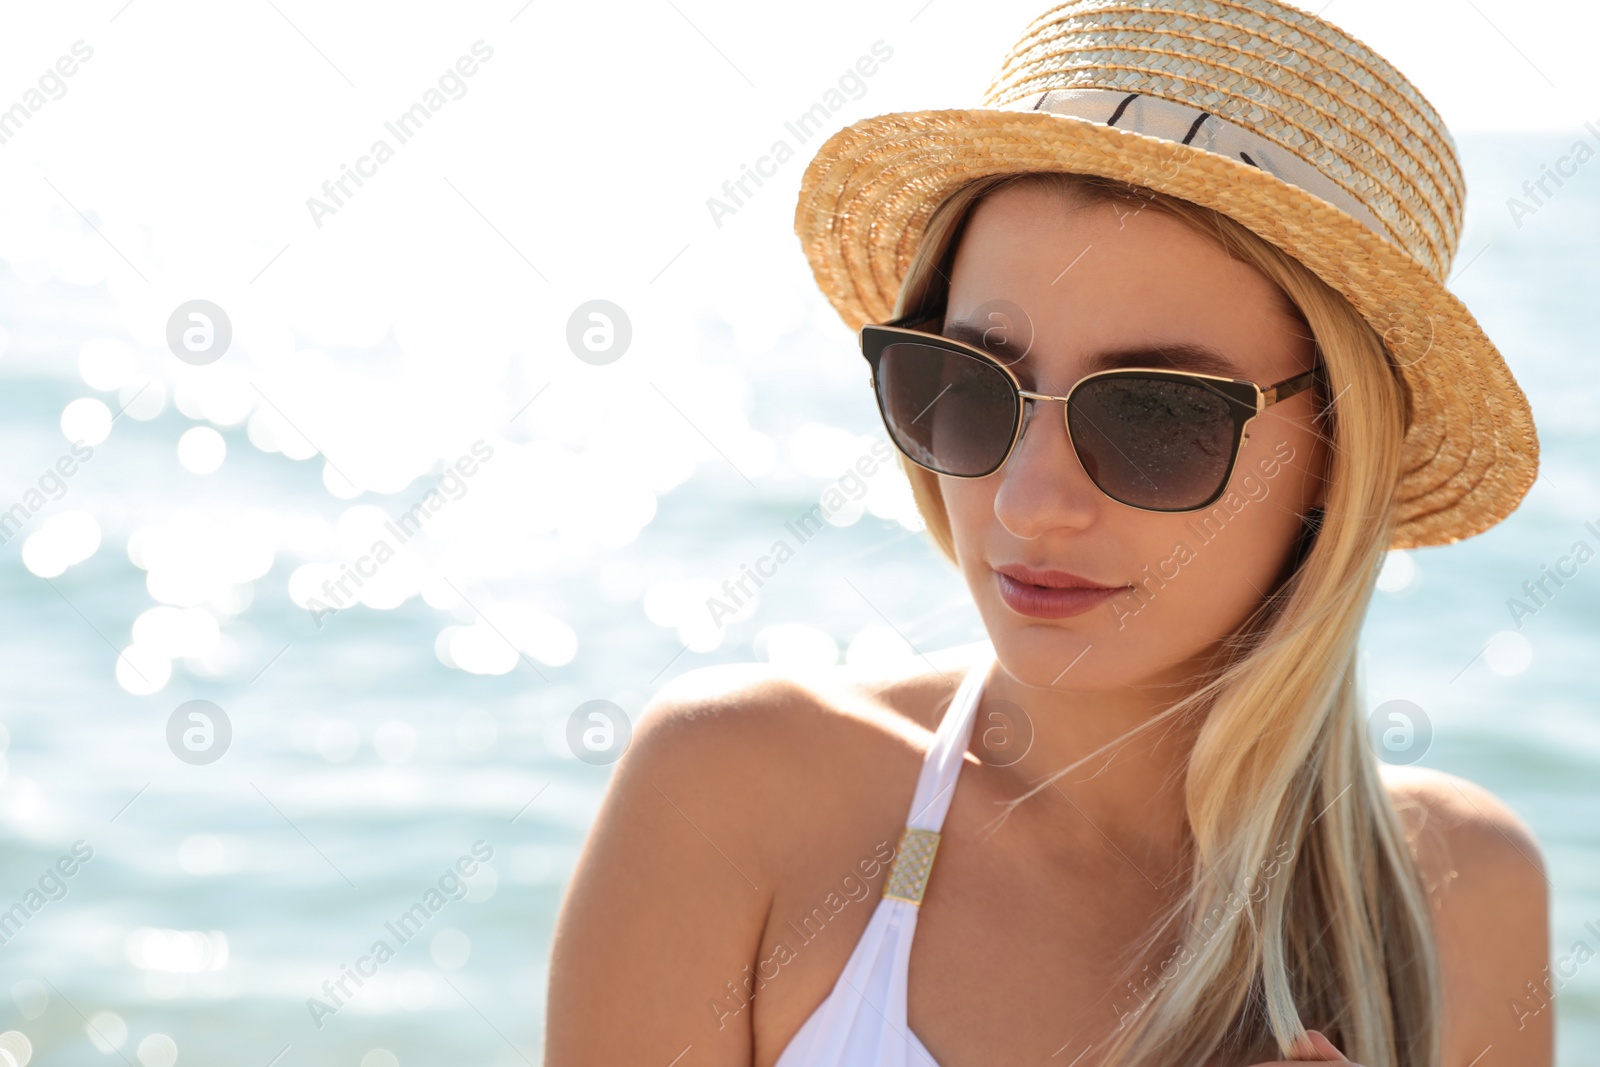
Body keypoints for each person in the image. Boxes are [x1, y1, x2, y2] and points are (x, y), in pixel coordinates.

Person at [545, 2, 1550, 1065]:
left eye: (1156, 415)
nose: (1029, 502)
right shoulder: (732, 788)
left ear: (1336, 453)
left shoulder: (1462, 899)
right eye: (972, 385)